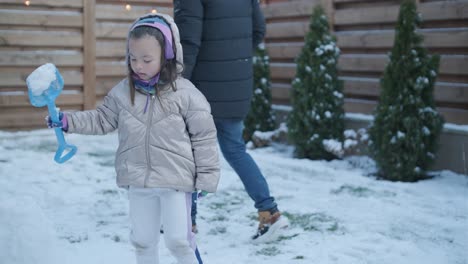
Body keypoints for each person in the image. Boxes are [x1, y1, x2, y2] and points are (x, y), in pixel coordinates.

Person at [45, 13, 219, 264]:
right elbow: (102, 119)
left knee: (179, 241)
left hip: (176, 181)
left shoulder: (186, 94)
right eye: (133, 58)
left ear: (167, 56)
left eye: (147, 59)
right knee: (143, 241)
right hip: (138, 180)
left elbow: (204, 137)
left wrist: (206, 177)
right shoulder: (123, 93)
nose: (138, 65)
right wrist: (67, 121)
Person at [174, 0, 288, 243]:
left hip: (203, 86)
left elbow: (189, 41)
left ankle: (185, 221)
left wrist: (179, 84)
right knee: (235, 149)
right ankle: (270, 213)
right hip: (237, 82)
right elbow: (258, 31)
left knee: (189, 153)